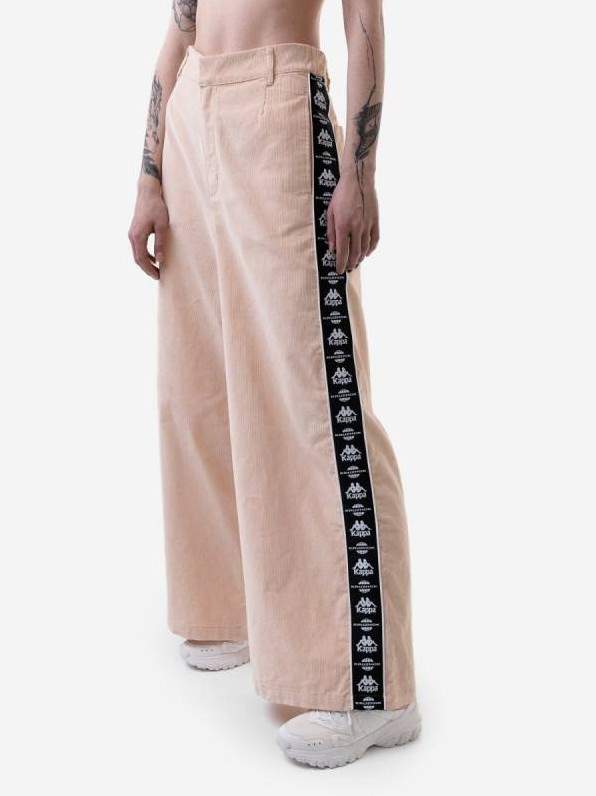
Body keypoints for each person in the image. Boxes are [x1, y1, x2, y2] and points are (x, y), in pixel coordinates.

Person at [128, 0, 419, 768]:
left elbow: (364, 19)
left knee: (316, 395)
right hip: (193, 111)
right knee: (198, 386)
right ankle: (232, 607)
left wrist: (360, 170)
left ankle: (374, 690)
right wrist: (150, 174)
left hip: (277, 102)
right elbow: (182, 25)